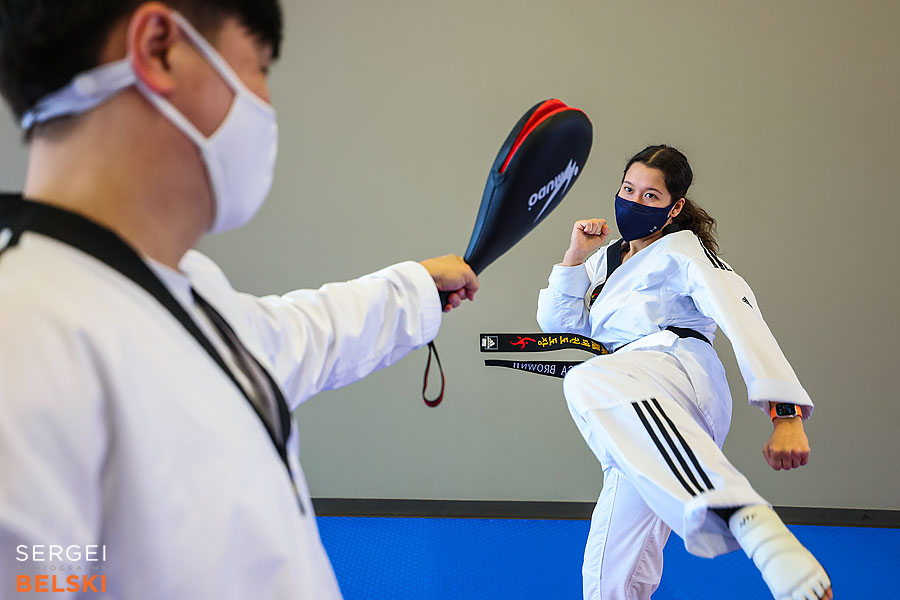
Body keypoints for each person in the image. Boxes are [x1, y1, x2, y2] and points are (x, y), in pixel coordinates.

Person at [0, 1, 478, 598]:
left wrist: (411, 288)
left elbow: (294, 335)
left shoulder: (186, 291)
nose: (266, 105)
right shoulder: (23, 344)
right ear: (160, 49)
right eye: (259, 67)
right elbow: (36, 577)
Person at [536, 145, 832, 600]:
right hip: (633, 402)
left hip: (677, 372)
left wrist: (786, 412)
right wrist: (575, 256)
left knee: (586, 380)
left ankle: (746, 519)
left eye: (650, 196)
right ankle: (734, 516)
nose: (634, 202)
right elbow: (560, 327)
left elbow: (740, 313)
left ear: (675, 208)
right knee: (610, 568)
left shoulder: (683, 249)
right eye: (628, 189)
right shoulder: (608, 259)